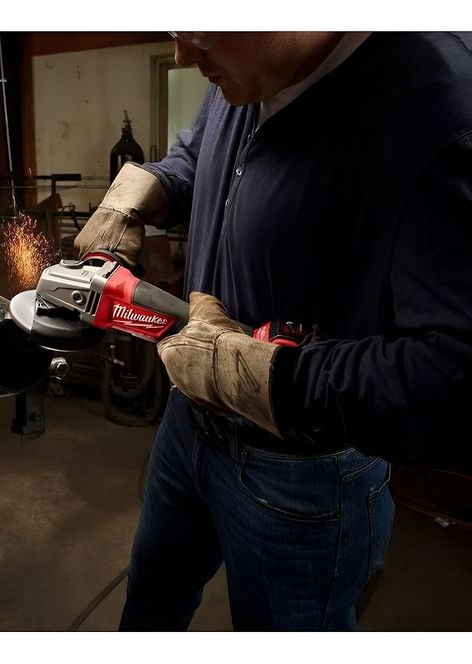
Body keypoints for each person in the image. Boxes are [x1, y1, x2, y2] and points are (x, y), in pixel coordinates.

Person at [74, 32, 472, 631]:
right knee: (151, 601)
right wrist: (139, 194)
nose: (183, 56)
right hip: (188, 423)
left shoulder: (442, 114)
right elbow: (199, 157)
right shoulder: (245, 68)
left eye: (201, 34)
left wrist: (261, 376)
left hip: (300, 473)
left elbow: (454, 378)